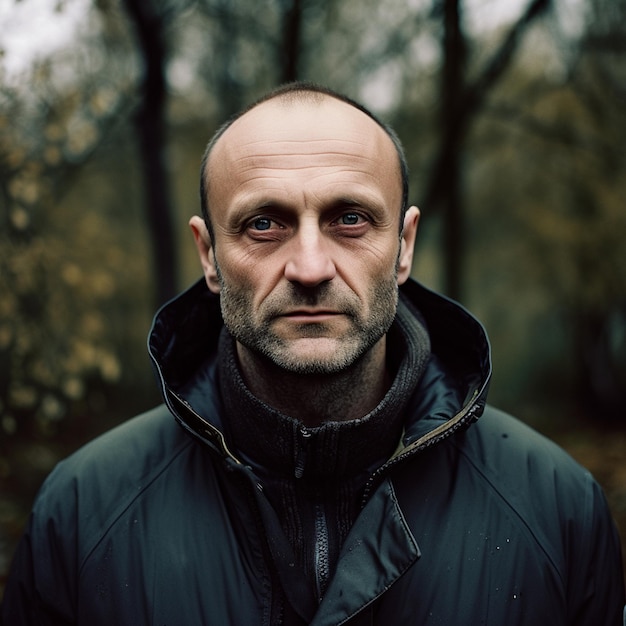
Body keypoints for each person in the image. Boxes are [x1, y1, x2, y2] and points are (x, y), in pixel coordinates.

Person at [1, 82, 624, 626]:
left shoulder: (558, 511)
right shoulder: (83, 512)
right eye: (263, 225)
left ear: (404, 246)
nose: (308, 267)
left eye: (350, 219)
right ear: (209, 255)